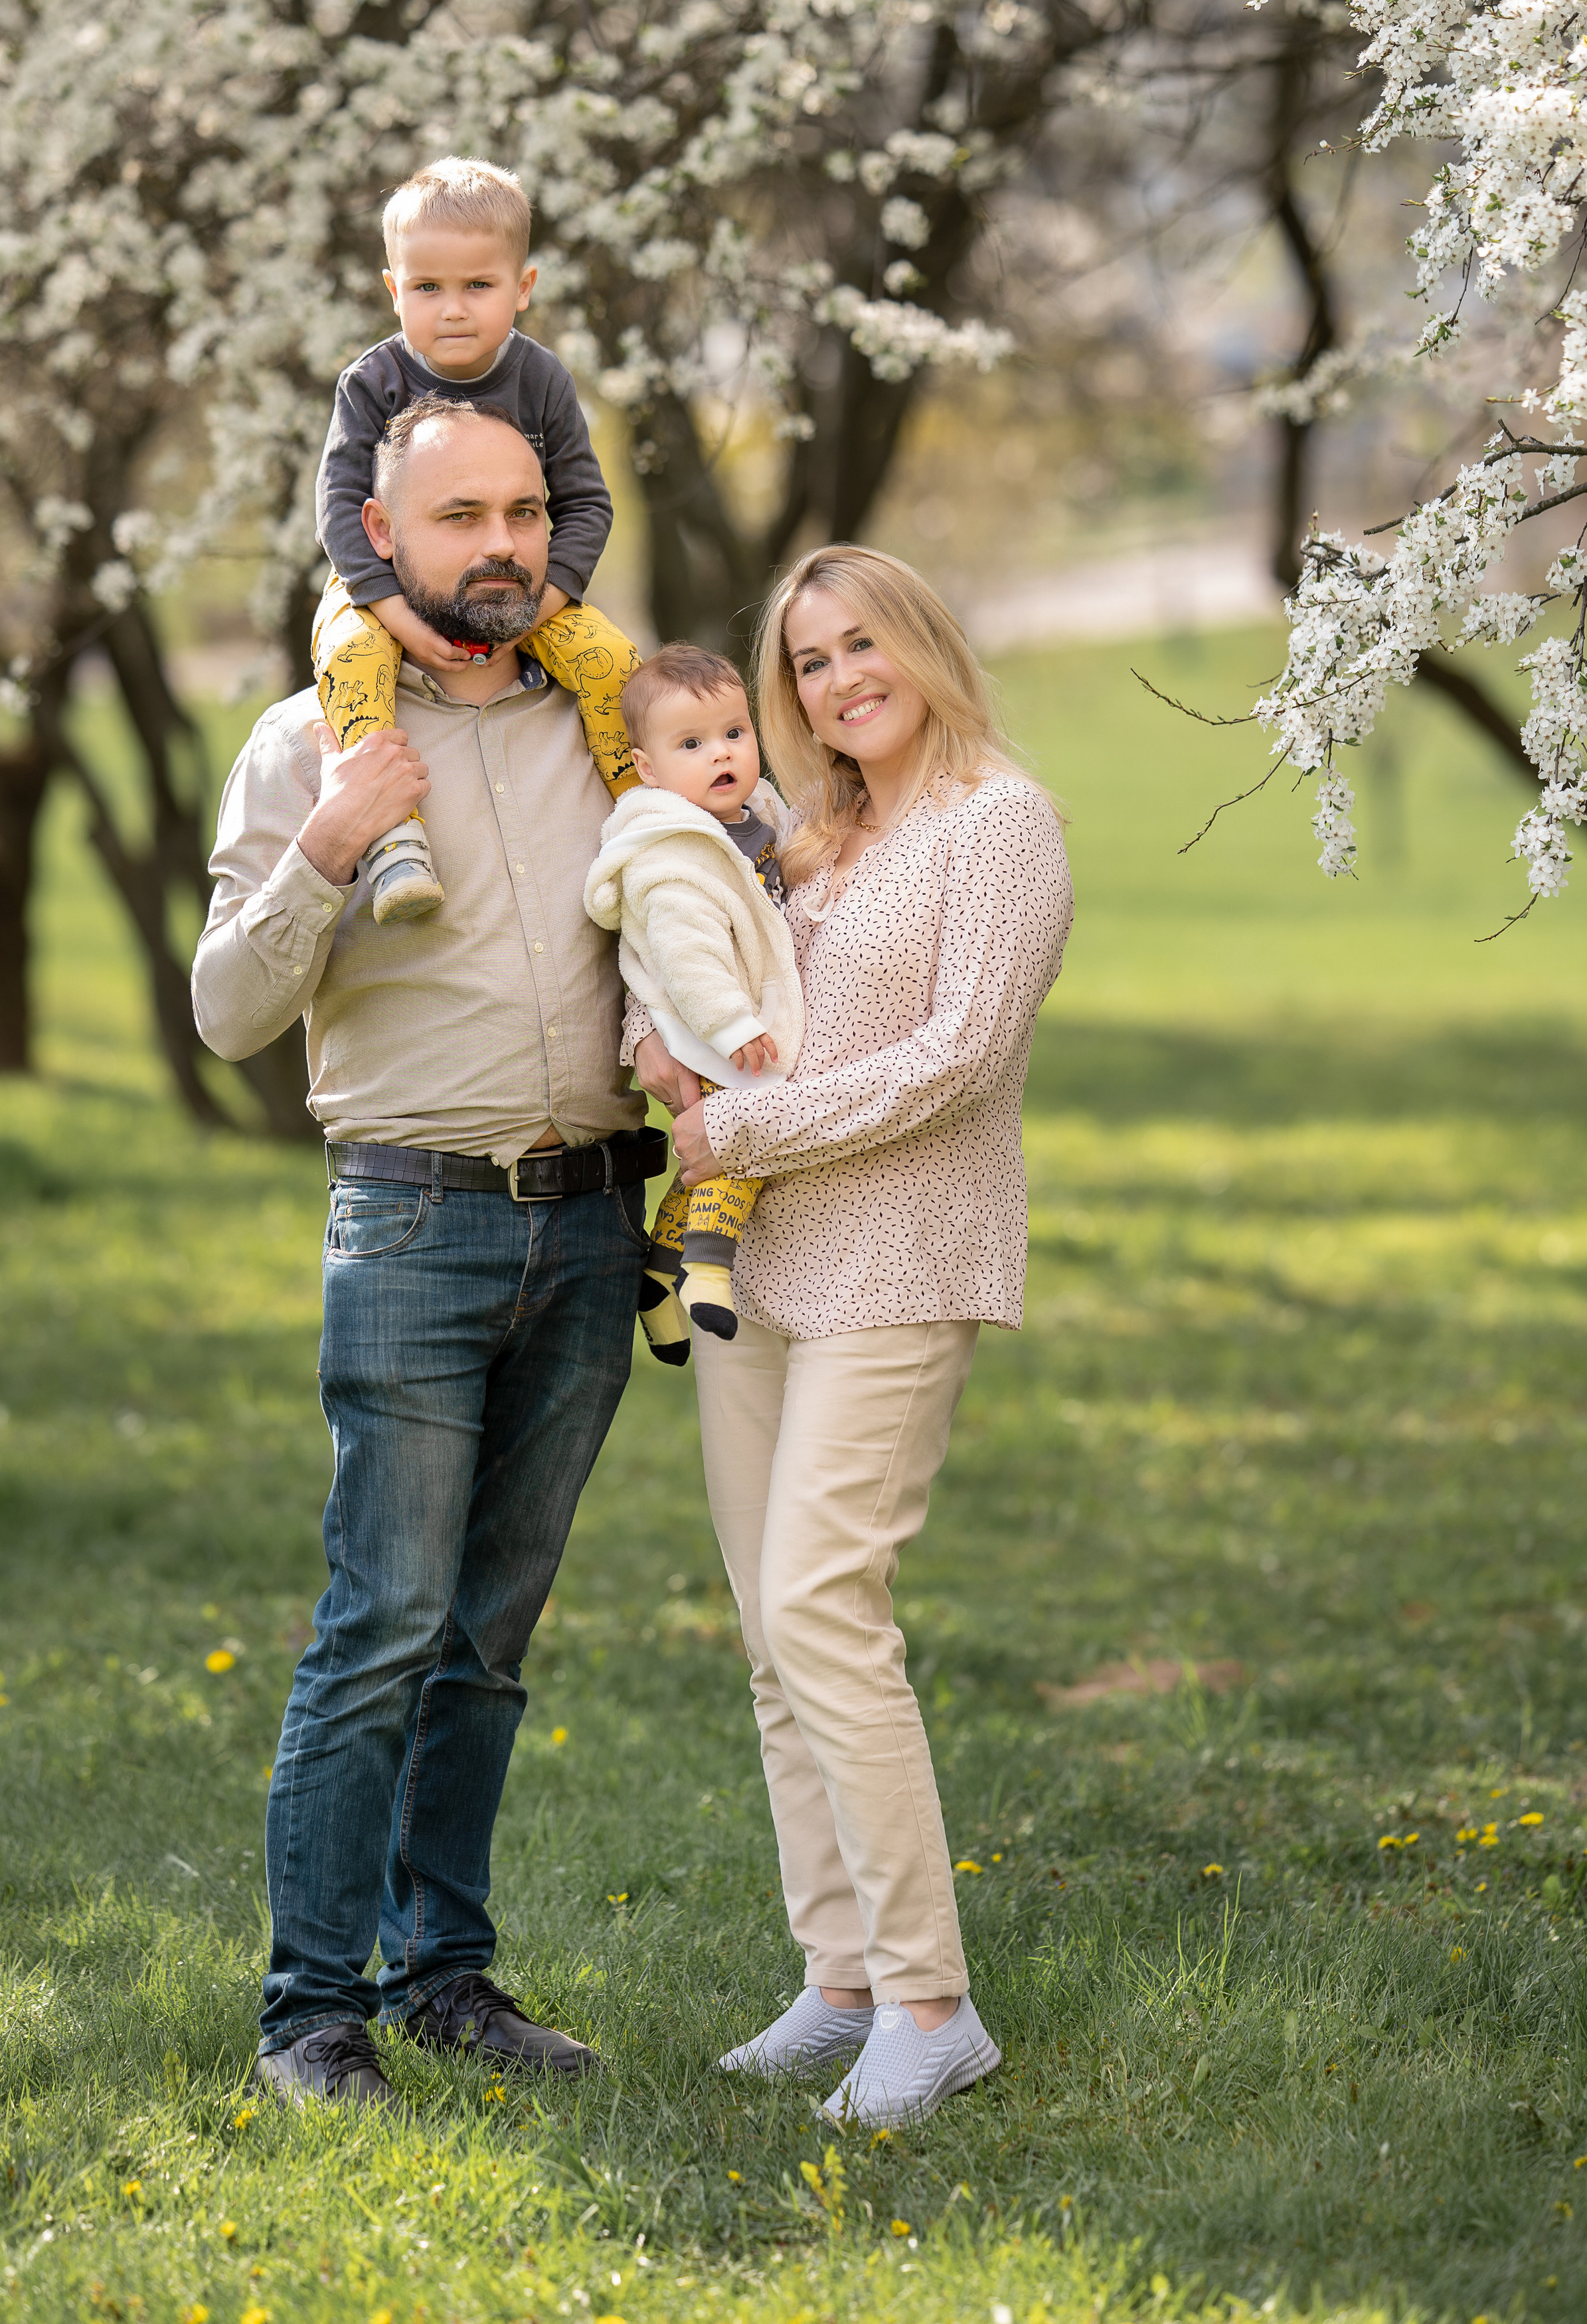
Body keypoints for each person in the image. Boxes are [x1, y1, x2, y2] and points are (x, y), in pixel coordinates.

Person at [192, 393, 667, 2110]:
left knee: (491, 1634)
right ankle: (312, 2015)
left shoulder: (607, 730)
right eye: (463, 517)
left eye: (528, 512)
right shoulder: (307, 737)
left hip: (597, 1219)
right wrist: (330, 843)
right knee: (381, 1623)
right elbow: (228, 1012)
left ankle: (446, 1978)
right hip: (412, 1221)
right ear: (381, 533)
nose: (506, 547)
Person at [643, 544, 1073, 2129]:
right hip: (761, 1254)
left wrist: (745, 1119)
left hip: (904, 1250)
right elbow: (719, 990)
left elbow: (957, 1057)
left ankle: (928, 2001)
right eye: (808, 662)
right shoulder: (802, 837)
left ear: (920, 641)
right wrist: (671, 1050)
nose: (836, 680)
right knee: (770, 1624)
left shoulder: (996, 822)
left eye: (857, 642)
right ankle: (834, 1980)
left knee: (826, 1594)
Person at [311, 155, 638, 924]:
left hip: (524, 587)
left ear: (522, 288)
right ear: (394, 291)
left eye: (478, 287)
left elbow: (585, 503)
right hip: (377, 581)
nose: (452, 309)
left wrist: (544, 606)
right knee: (354, 662)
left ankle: (648, 820)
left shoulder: (542, 381)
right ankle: (393, 840)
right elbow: (338, 515)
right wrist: (394, 616)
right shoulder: (373, 383)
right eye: (427, 288)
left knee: (611, 663)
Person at [582, 645, 805, 1360]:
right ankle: (706, 1273)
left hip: (735, 1023)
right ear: (648, 768)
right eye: (692, 744)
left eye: (734, 734)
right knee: (739, 1150)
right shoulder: (673, 854)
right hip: (712, 1028)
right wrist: (733, 1026)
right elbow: (689, 958)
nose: (722, 755)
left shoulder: (756, 815)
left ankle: (654, 1274)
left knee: (709, 1158)